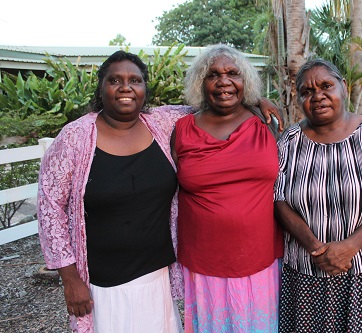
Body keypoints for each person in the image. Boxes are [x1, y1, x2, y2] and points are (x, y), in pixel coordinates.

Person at [37, 50, 280, 333]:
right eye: (115, 80)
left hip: (157, 276)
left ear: (144, 89)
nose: (126, 87)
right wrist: (69, 278)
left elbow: (216, 104)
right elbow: (49, 208)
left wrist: (254, 99)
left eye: (135, 80)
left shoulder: (160, 123)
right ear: (101, 87)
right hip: (103, 280)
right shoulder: (75, 137)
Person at [274, 59, 362, 332]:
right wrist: (318, 249)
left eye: (326, 86)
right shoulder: (290, 140)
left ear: (343, 87)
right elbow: (278, 200)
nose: (317, 97)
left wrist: (349, 246)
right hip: (307, 273)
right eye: (307, 91)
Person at [171, 44, 283, 333]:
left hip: (260, 258)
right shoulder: (179, 127)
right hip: (203, 261)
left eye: (233, 73)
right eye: (213, 75)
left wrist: (261, 101)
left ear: (245, 81)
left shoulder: (268, 122)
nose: (223, 81)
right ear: (200, 82)